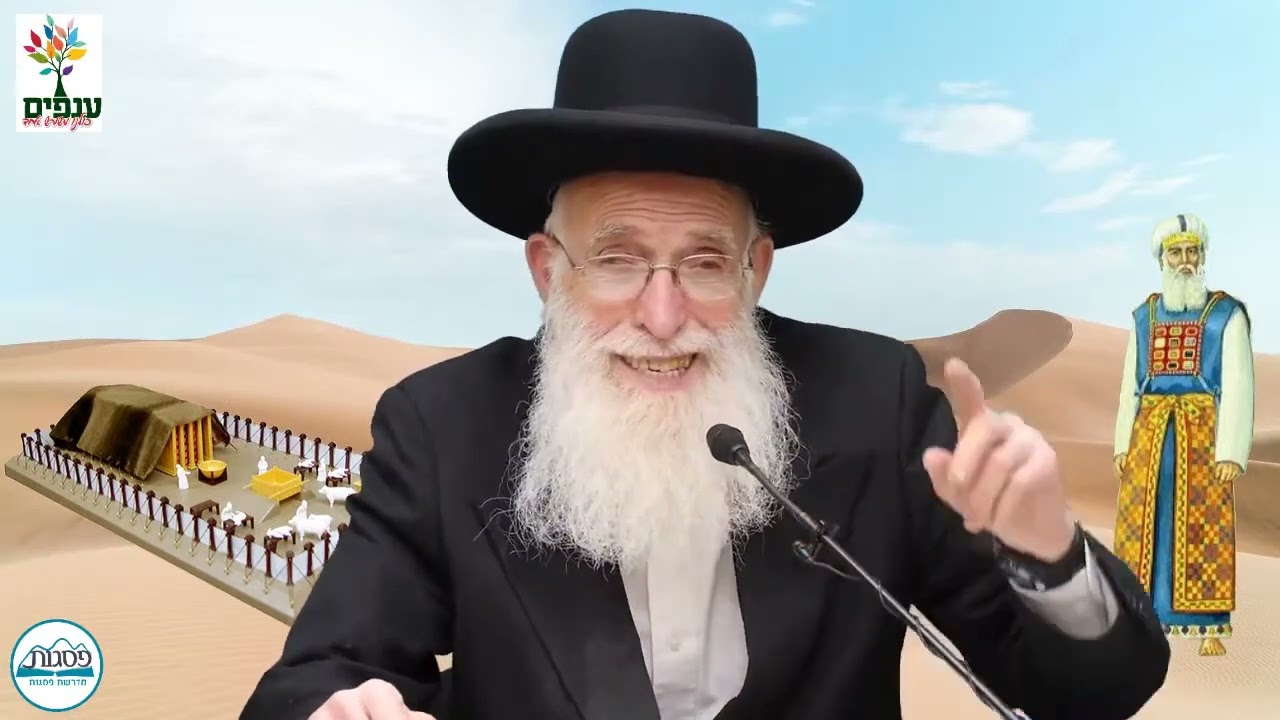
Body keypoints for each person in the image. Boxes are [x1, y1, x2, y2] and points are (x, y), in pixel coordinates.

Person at [242, 9, 1169, 720]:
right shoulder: (443, 425)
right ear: (548, 270)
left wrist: (1048, 554)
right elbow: (319, 674)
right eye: (616, 259)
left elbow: (1086, 695)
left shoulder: (875, 401)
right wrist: (339, 710)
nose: (662, 316)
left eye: (704, 263)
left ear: (755, 269)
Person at [1112, 213, 1254, 657]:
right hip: (1149, 437)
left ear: (1203, 255)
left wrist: (1231, 450)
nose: (1185, 260)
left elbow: (1238, 384)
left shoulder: (1226, 316)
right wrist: (1122, 443)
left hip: (1202, 438)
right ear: (1162, 259)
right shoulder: (1144, 316)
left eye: (1193, 251)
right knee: (1144, 528)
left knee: (1203, 529)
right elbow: (1131, 385)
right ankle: (1139, 618)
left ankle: (1208, 625)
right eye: (1176, 252)